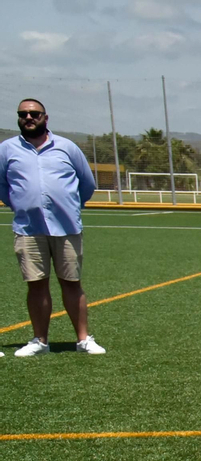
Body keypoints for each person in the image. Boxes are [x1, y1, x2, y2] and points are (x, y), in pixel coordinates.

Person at [1, 98, 103, 357]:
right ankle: (40, 341)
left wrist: (69, 205)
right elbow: (2, 185)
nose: (29, 117)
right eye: (23, 114)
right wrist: (21, 205)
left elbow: (87, 184)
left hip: (66, 227)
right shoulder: (7, 150)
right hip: (28, 228)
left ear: (46, 118)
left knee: (71, 282)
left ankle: (83, 340)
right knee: (36, 284)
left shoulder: (67, 147)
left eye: (34, 113)